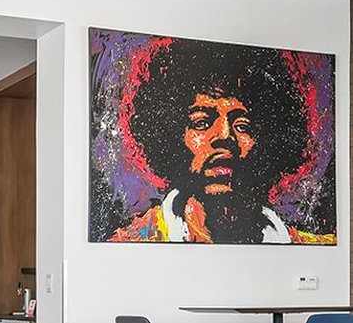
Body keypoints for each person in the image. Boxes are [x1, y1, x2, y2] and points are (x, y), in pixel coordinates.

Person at [113, 41, 317, 244]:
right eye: (201, 123)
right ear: (170, 137)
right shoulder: (134, 240)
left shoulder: (307, 246)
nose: (225, 136)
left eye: (243, 125)